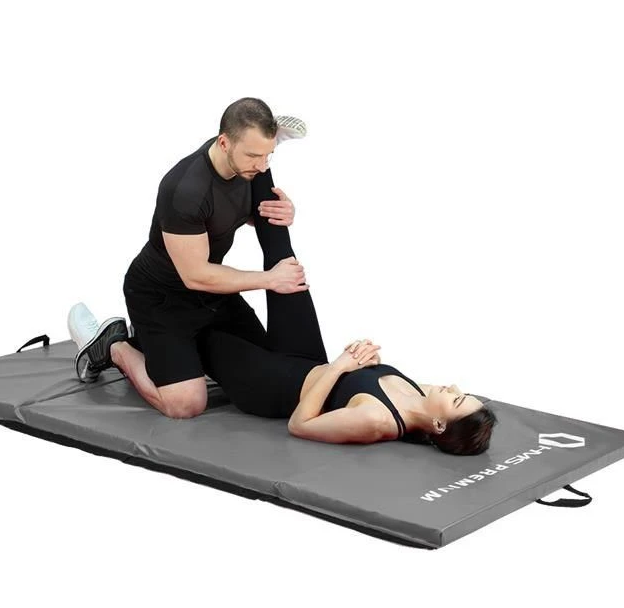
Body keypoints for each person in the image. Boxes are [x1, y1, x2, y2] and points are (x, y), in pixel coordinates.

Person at [70, 166, 498, 455]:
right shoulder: (422, 393)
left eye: (457, 398)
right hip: (305, 359)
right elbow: (358, 380)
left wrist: (342, 365)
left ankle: (115, 347)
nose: (453, 387)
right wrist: (363, 357)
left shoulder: (377, 422)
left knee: (198, 341)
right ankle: (263, 157)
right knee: (287, 269)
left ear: (439, 426)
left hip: (269, 387)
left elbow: (301, 424)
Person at [69, 97, 309, 420]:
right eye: (254, 156)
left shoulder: (248, 166)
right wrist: (269, 279)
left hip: (211, 295)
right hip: (162, 298)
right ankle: (115, 346)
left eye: (268, 155)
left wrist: (279, 211)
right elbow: (195, 275)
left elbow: (232, 209)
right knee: (186, 404)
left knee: (269, 364)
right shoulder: (185, 189)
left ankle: (168, 350)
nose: (262, 166)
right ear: (224, 143)